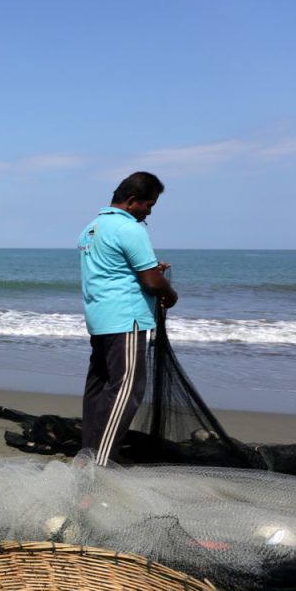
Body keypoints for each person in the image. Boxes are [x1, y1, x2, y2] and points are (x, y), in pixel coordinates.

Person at [79, 171, 177, 466]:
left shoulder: (92, 228)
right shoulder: (130, 229)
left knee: (99, 386)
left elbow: (115, 270)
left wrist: (151, 271)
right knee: (127, 389)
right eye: (149, 205)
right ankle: (102, 461)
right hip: (127, 320)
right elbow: (151, 281)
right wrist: (170, 295)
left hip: (100, 318)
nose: (149, 212)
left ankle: (87, 454)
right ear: (133, 202)